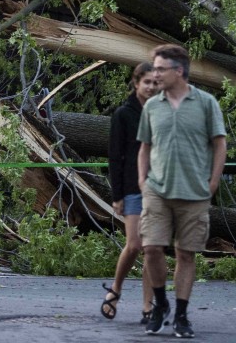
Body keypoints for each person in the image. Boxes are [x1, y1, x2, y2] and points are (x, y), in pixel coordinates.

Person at [138, 44, 227, 338]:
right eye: (154, 68)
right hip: (157, 190)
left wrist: (212, 182)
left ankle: (182, 315)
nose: (156, 74)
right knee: (151, 248)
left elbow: (219, 144)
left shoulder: (206, 103)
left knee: (186, 254)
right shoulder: (152, 106)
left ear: (179, 71)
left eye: (161, 69)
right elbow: (144, 147)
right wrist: (142, 180)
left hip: (194, 192)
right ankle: (160, 304)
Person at [100, 62, 156, 324]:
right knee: (134, 245)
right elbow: (115, 156)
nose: (151, 87)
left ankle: (148, 306)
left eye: (156, 83)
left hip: (158, 189)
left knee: (151, 248)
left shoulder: (162, 111)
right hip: (132, 188)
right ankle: (116, 289)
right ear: (136, 84)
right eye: (147, 82)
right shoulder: (124, 114)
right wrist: (117, 195)